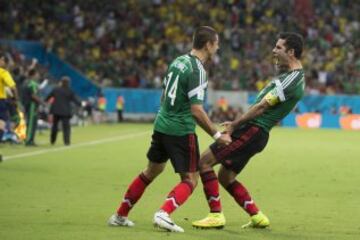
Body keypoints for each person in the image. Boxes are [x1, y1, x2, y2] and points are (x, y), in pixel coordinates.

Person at [108, 26, 232, 232]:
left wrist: (165, 115)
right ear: (208, 44)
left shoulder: (177, 61)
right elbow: (196, 110)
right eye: (216, 43)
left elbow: (164, 95)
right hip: (181, 130)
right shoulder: (198, 70)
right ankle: (163, 213)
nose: (218, 47)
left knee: (152, 170)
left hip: (162, 125)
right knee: (190, 179)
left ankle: (120, 215)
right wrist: (217, 135)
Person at [192, 32, 305, 229]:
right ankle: (257, 216)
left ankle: (215, 215)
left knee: (204, 162)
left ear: (291, 52)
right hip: (256, 132)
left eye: (278, 47)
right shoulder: (290, 76)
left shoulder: (291, 80)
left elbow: (262, 107)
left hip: (252, 130)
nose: (273, 50)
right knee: (225, 177)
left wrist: (235, 124)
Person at [46, 76, 81, 146]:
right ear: (68, 83)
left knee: (54, 127)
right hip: (65, 112)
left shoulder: (56, 89)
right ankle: (66, 142)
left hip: (56, 111)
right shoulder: (70, 91)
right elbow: (76, 100)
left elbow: (48, 97)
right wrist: (80, 104)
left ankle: (52, 140)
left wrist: (45, 102)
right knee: (66, 128)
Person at [0, 52, 19, 143]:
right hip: (0, 100)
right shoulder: (3, 72)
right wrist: (15, 99)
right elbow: (13, 88)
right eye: (4, 60)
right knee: (2, 123)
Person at [22, 69, 43, 146]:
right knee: (31, 123)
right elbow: (33, 95)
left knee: (32, 123)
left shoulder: (25, 82)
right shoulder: (32, 83)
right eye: (37, 74)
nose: (38, 75)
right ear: (33, 74)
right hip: (32, 105)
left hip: (28, 104)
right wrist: (42, 102)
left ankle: (30, 140)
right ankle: (28, 141)